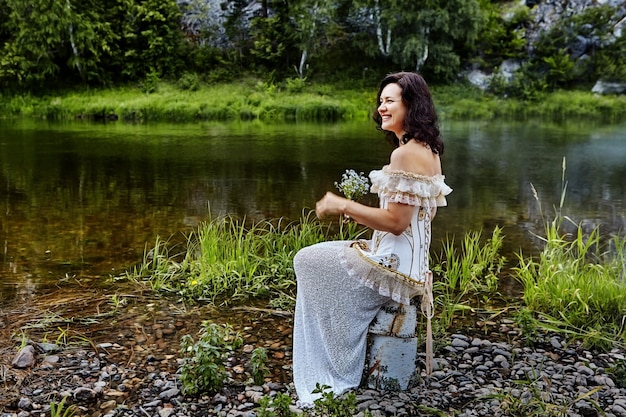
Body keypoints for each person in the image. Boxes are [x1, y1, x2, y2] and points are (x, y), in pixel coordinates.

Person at [292, 71, 452, 406]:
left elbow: (396, 222)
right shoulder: (428, 149)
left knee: (306, 259)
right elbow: (424, 218)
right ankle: (344, 341)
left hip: (393, 271)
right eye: (381, 101)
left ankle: (337, 361)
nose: (382, 107)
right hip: (409, 266)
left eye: (390, 100)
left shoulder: (405, 154)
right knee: (328, 254)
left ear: (411, 105)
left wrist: (343, 205)